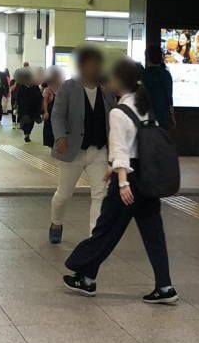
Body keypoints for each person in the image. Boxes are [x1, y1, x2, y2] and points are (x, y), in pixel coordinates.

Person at [62, 58, 178, 305]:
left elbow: (120, 149)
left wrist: (122, 182)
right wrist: (111, 170)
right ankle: (165, 286)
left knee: (106, 229)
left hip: (129, 178)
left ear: (120, 81)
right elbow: (143, 143)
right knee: (153, 233)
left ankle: (84, 273)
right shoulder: (144, 105)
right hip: (148, 177)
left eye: (113, 77)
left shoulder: (118, 111)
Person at [48, 48, 114, 244]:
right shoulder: (68, 87)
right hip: (73, 150)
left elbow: (113, 115)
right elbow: (57, 115)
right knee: (64, 194)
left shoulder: (106, 89)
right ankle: (56, 222)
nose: (95, 68)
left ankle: (95, 238)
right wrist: (60, 136)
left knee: (100, 195)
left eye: (98, 64)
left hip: (99, 150)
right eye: (90, 64)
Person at [142, 45, 175, 131]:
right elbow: (169, 98)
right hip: (162, 117)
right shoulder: (166, 74)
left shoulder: (143, 75)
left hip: (145, 117)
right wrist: (172, 116)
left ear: (147, 57)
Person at [16, 71, 43, 143]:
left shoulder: (34, 86)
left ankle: (28, 134)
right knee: (26, 121)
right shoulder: (21, 86)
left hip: (33, 108)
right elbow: (18, 97)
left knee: (31, 122)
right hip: (24, 108)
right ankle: (26, 134)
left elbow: (39, 96)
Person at [41, 67, 62, 148]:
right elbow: (45, 101)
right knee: (50, 128)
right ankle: (51, 145)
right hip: (50, 110)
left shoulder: (62, 86)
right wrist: (45, 112)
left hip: (59, 110)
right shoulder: (48, 88)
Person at [11, 61, 32, 127]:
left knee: (21, 110)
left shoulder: (23, 81)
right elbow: (12, 89)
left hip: (21, 98)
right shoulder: (13, 81)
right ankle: (14, 122)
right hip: (14, 97)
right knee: (14, 110)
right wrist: (16, 82)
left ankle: (20, 123)